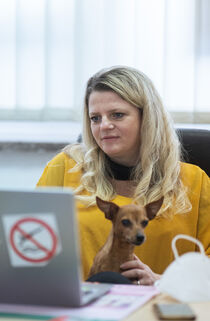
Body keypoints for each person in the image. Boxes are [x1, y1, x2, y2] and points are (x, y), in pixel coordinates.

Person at [37, 66, 210, 285]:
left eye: (117, 115)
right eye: (95, 118)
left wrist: (161, 280)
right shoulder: (63, 168)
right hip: (83, 311)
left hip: (158, 310)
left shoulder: (195, 181)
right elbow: (28, 244)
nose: (104, 126)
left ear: (147, 118)